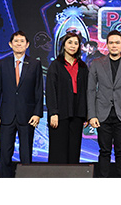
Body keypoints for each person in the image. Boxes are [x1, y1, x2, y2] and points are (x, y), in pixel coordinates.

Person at [87, 30, 121, 177]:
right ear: (107, 45)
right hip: (102, 115)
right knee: (104, 151)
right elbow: (91, 91)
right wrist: (91, 115)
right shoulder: (97, 64)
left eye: (117, 42)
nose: (114, 45)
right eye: (111, 42)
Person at [0, 30, 43, 177]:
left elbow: (38, 91)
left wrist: (37, 113)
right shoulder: (2, 64)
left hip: (27, 116)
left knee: (26, 155)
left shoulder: (35, 64)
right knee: (5, 154)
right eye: (16, 41)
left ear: (27, 45)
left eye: (22, 41)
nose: (19, 44)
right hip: (6, 116)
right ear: (10, 44)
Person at [46, 32, 89, 164]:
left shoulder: (83, 67)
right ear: (64, 45)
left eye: (76, 43)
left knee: (74, 151)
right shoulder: (56, 65)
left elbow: (87, 91)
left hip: (77, 113)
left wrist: (86, 115)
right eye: (70, 42)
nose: (73, 46)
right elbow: (50, 90)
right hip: (60, 113)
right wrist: (53, 112)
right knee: (58, 151)